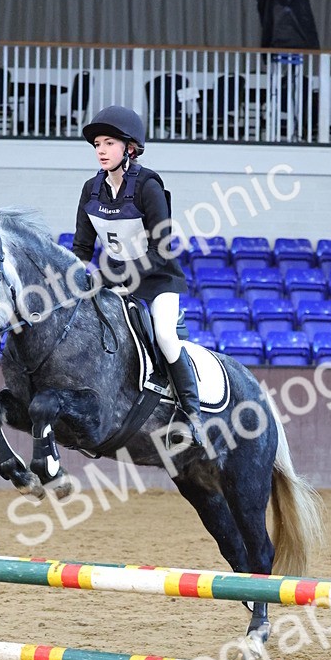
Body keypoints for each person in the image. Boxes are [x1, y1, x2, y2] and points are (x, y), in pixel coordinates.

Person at [72, 105, 205, 447]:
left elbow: (162, 248)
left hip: (157, 280)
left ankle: (193, 415)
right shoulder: (90, 189)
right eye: (97, 144)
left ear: (129, 148)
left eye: (108, 143)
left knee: (164, 335)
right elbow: (81, 249)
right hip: (116, 280)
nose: (100, 150)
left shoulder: (148, 186)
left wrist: (118, 275)